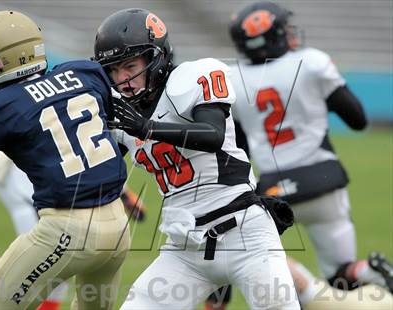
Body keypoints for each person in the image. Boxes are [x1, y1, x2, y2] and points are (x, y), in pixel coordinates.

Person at [94, 8, 300, 309]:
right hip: (184, 248)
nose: (122, 79)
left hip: (245, 234)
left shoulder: (190, 78)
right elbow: (101, 168)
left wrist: (148, 128)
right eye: (113, 70)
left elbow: (212, 134)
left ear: (156, 58)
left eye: (129, 66)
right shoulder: (122, 112)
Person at [204, 2, 392, 309]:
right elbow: (357, 119)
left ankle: (222, 305)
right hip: (323, 180)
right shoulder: (311, 62)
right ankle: (367, 271)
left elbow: (239, 149)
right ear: (275, 35)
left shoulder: (233, 79)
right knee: (341, 278)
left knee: (244, 257)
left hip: (273, 191)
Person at [0, 11, 130, 309]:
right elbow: (112, 139)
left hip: (66, 231)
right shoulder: (85, 73)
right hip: (118, 228)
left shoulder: (1, 106)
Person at [0, 152, 146, 309]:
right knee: (49, 257)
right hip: (23, 175)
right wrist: (123, 191)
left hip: (31, 173)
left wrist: (122, 191)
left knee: (46, 260)